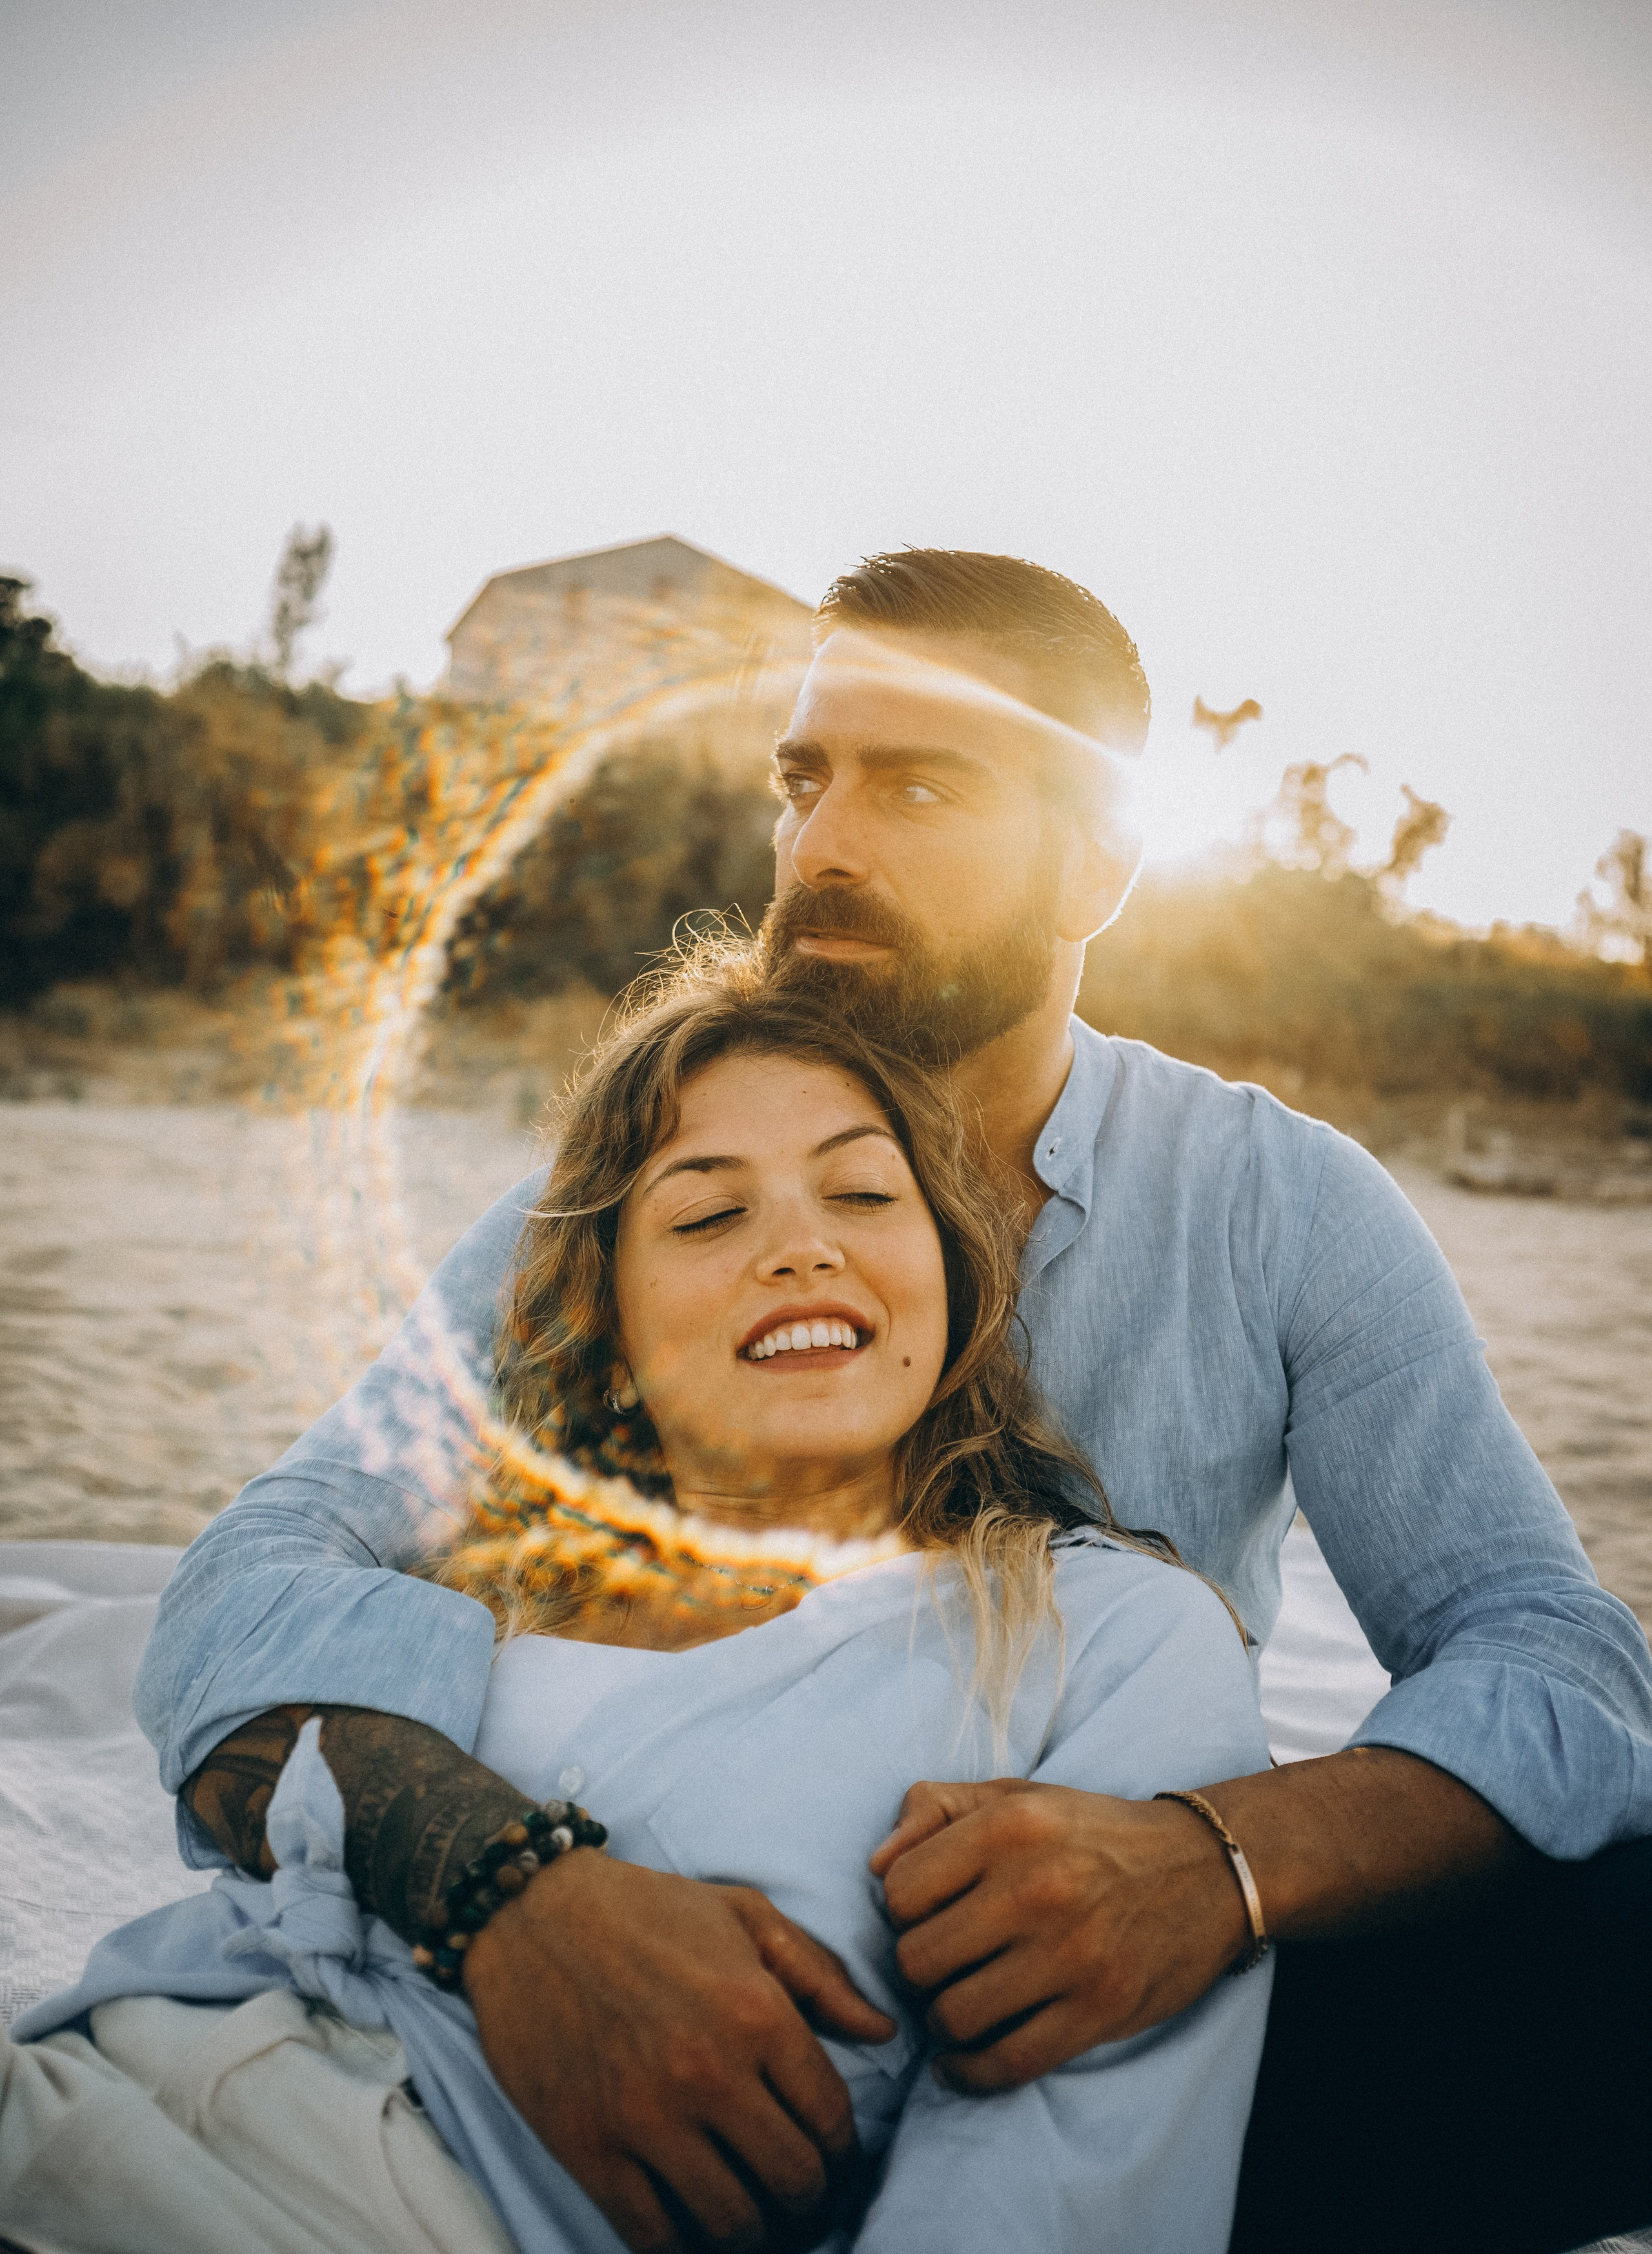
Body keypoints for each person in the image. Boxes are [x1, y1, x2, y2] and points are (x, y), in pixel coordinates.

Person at [128, 550, 1651, 2254]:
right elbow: (258, 1570)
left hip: (1074, 1967)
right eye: (803, 777)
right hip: (679, 1906)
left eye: (918, 781)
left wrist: (1208, 1863)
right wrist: (510, 1889)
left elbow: (1556, 1661)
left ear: (1103, 861)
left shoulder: (1273, 1204)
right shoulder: (648, 1182)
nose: (822, 844)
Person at [8, 981, 1273, 2254]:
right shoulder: (475, 1583)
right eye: (711, 1214)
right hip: (72, 2086)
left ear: (951, 1268)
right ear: (609, 1329)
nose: (799, 1247)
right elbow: (233, 1655)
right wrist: (507, 1891)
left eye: (863, 1194)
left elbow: (1047, 2179)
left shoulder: (1097, 1634)